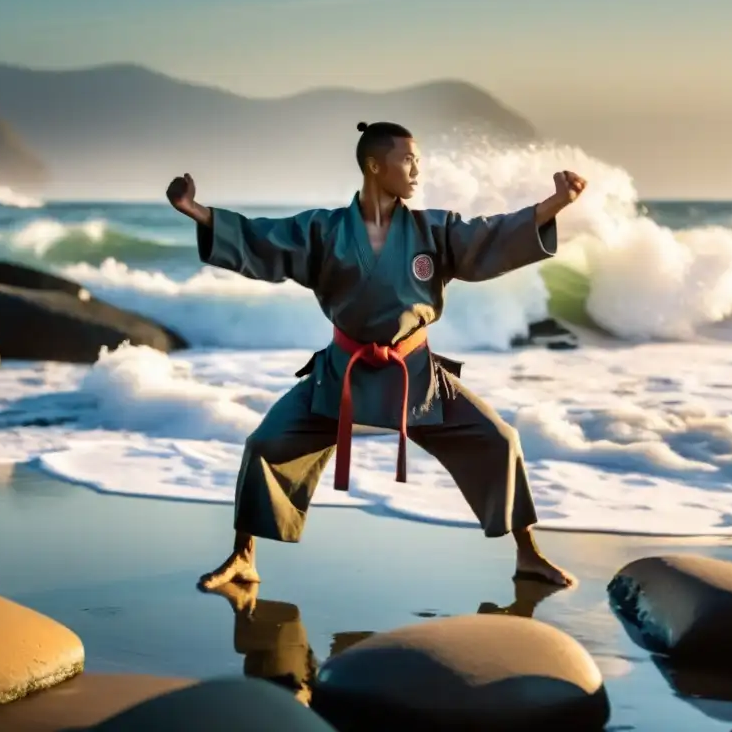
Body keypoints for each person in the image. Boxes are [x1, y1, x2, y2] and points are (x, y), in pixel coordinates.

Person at [166, 121, 587, 590]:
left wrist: (556, 204)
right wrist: (197, 213)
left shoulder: (434, 230)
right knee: (266, 446)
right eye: (407, 159)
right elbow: (264, 239)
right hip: (341, 376)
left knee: (499, 440)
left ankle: (528, 554)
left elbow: (491, 236)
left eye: (418, 161)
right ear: (374, 165)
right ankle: (243, 556)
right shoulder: (324, 230)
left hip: (417, 376)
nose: (416, 170)